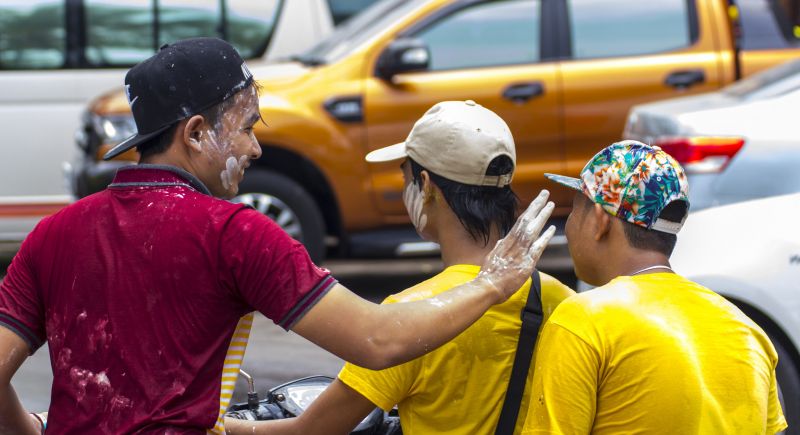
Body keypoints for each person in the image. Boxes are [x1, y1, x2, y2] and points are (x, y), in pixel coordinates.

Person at [0, 39, 558, 434]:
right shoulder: (233, 235)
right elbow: (379, 341)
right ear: (197, 134)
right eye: (246, 128)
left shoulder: (52, 234)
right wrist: (491, 282)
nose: (256, 149)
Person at [226, 100, 574, 435]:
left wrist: (219, 425)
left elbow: (312, 430)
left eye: (406, 175)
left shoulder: (409, 318)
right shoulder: (562, 301)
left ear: (426, 187)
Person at [520, 140, 787, 434]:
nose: (569, 227)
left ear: (599, 221)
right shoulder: (746, 330)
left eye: (574, 211)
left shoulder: (585, 320)